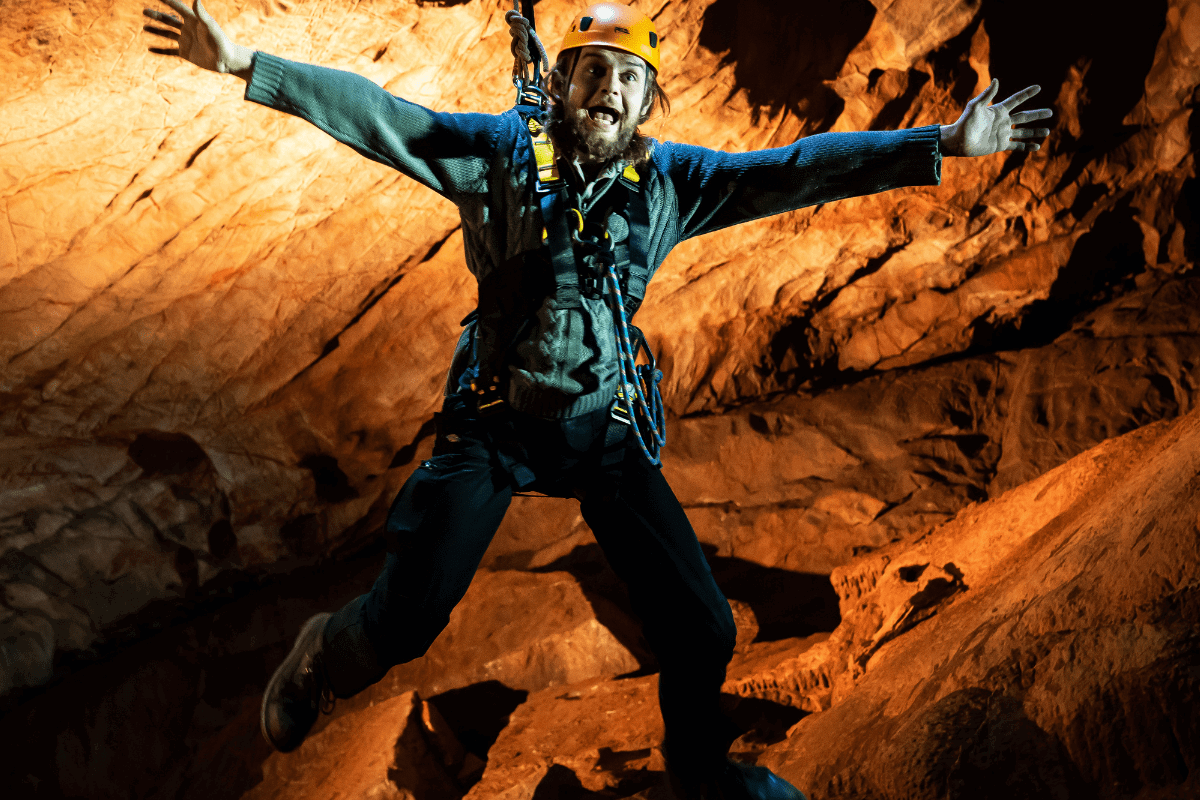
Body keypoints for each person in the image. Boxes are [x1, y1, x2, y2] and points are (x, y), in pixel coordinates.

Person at [141, 2, 1051, 798]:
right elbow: (391, 122)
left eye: (628, 76)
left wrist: (940, 144)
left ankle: (698, 771)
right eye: (592, 71)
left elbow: (794, 168)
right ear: (564, 81)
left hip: (606, 436)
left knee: (701, 628)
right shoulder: (500, 155)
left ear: (648, 100)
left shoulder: (669, 183)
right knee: (407, 622)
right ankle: (323, 655)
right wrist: (246, 66)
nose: (608, 89)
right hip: (497, 427)